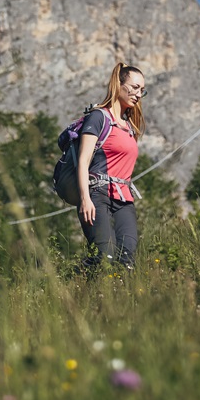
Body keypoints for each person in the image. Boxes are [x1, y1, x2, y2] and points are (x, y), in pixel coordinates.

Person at [76, 63, 145, 271]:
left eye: (142, 90)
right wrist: (85, 199)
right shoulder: (98, 118)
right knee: (104, 254)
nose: (138, 94)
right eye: (134, 87)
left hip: (124, 198)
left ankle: (122, 300)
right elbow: (83, 161)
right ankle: (73, 279)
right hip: (97, 193)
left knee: (127, 257)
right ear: (119, 84)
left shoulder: (129, 128)